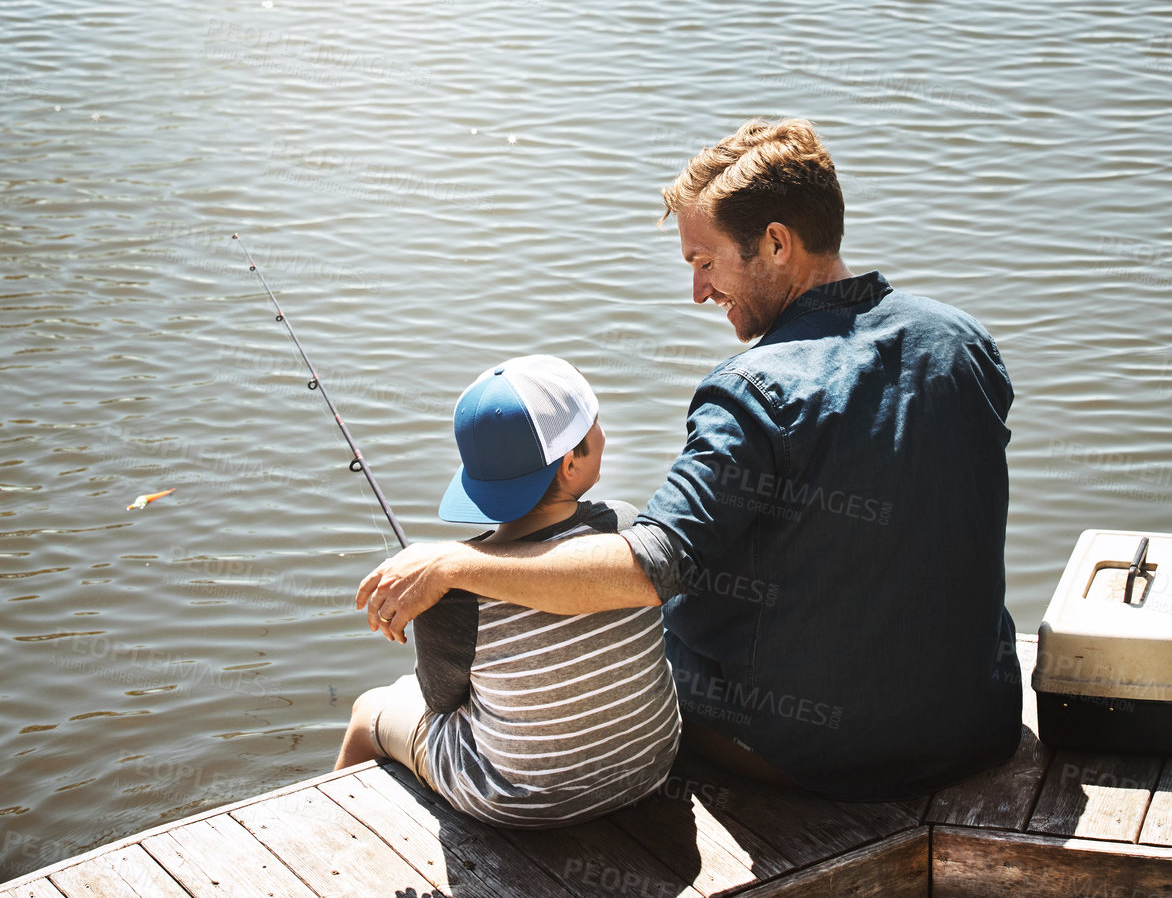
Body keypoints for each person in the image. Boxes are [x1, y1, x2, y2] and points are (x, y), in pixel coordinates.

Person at [358, 119, 1023, 801]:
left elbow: (650, 566)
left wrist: (457, 563)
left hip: (809, 752)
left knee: (626, 628)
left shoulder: (754, 389)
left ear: (775, 243)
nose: (699, 291)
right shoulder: (962, 342)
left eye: (705, 262)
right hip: (978, 725)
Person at [336, 354, 680, 823]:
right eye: (594, 426)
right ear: (570, 464)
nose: (604, 435)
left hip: (518, 800)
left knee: (366, 711)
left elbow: (440, 702)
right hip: (650, 765)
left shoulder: (451, 587)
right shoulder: (623, 528)